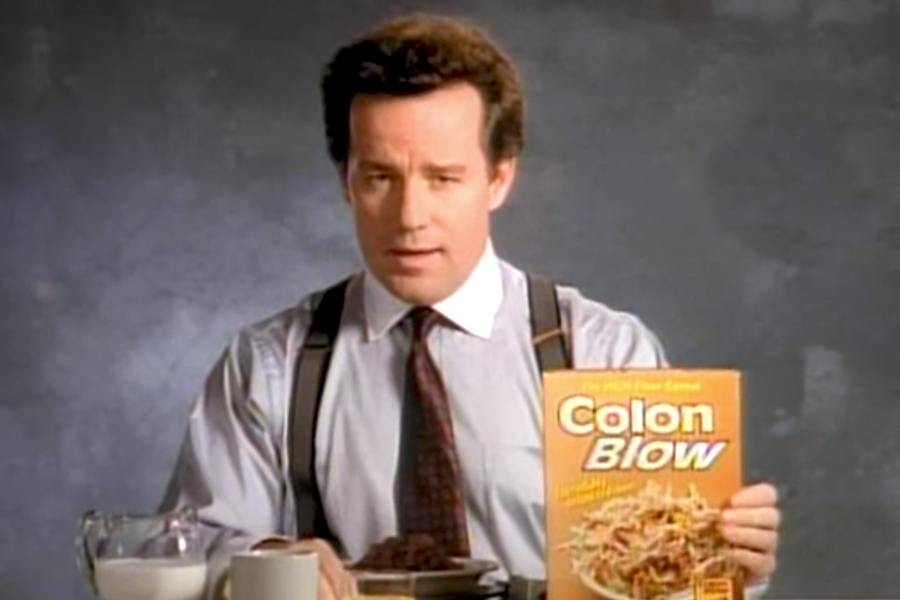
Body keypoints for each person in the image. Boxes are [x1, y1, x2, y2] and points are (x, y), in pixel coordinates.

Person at [160, 13, 780, 600]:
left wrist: (727, 561)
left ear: (499, 178)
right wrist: (265, 558)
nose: (410, 217)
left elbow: (664, 573)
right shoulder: (270, 365)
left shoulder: (604, 353)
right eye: (380, 177)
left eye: (443, 178)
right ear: (344, 179)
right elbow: (189, 553)